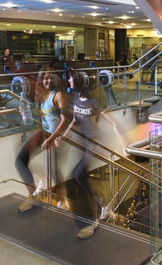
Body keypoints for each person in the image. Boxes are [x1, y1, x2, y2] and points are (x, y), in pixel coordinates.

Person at [55, 70, 110, 239]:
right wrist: (63, 136)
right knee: (79, 176)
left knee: (78, 175)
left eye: (71, 79)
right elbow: (74, 120)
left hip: (96, 142)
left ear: (77, 81)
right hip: (87, 142)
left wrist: (116, 130)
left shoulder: (92, 101)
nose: (69, 81)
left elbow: (104, 115)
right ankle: (102, 204)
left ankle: (98, 212)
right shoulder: (77, 98)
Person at [16, 67, 72, 212]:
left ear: (55, 79)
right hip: (45, 132)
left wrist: (51, 139)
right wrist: (25, 113)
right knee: (21, 159)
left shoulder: (58, 95)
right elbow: (41, 116)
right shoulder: (41, 96)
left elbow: (64, 120)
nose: (47, 80)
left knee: (54, 170)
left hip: (58, 135)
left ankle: (64, 201)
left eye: (50, 77)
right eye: (45, 78)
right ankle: (34, 196)